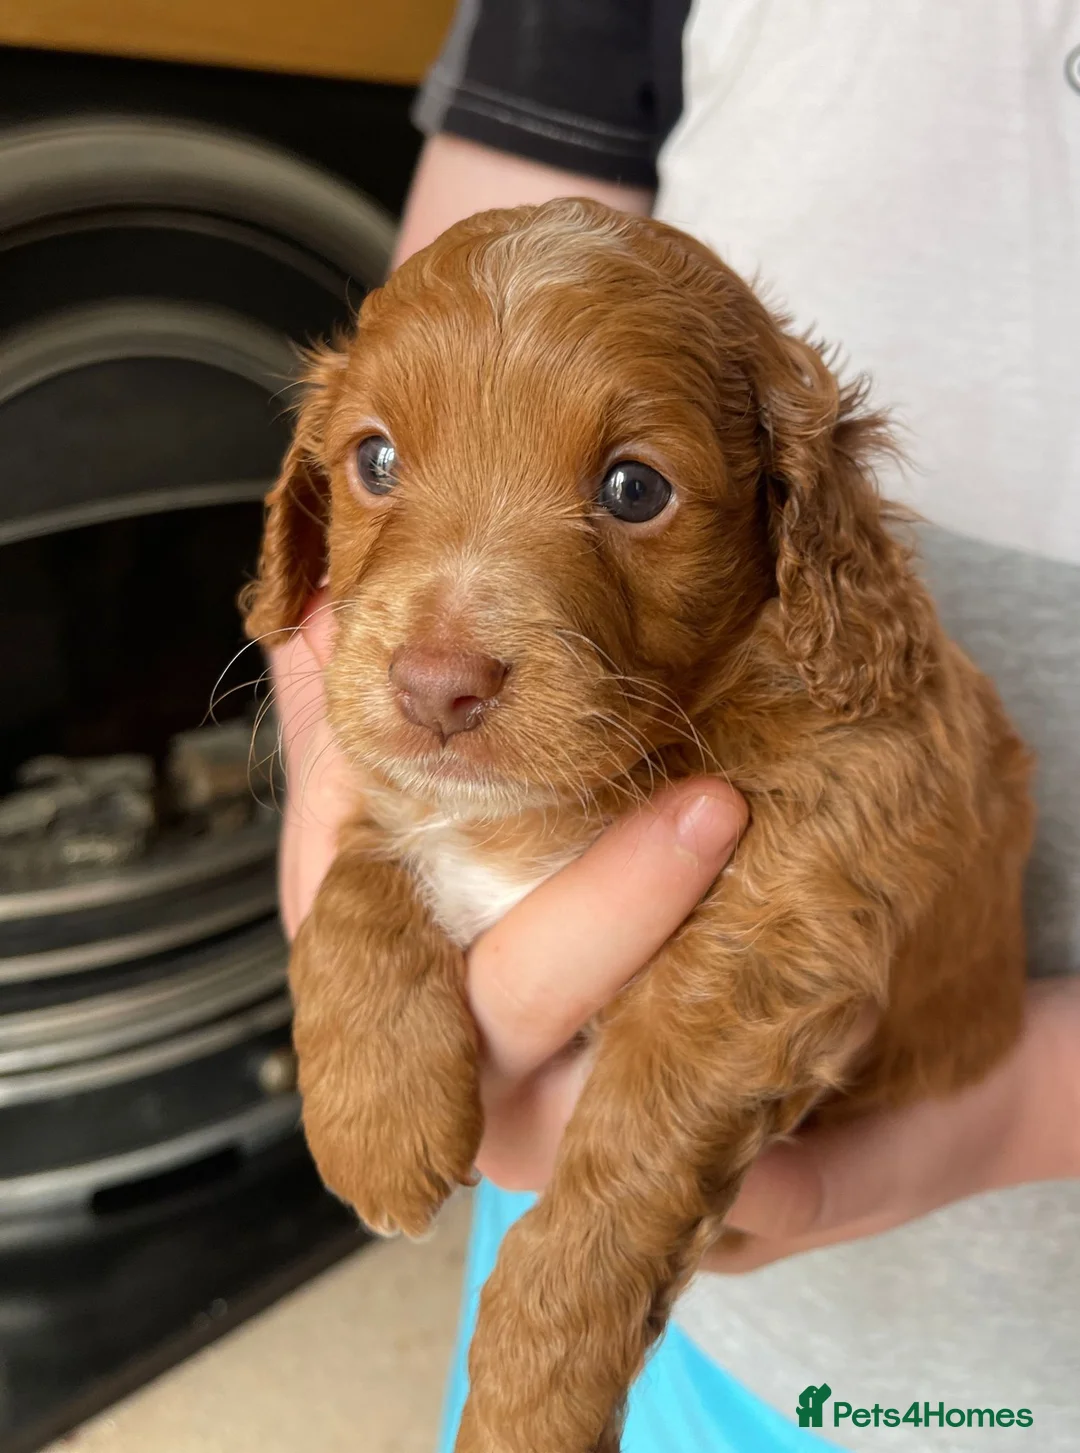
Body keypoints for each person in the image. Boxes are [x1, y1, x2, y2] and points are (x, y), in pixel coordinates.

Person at [269, 3, 1080, 1448]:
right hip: (706, 1345)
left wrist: (1004, 1119)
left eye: (635, 489)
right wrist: (354, 894)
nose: (447, 655)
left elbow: (767, 977)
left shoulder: (842, 724)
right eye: (382, 462)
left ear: (798, 518)